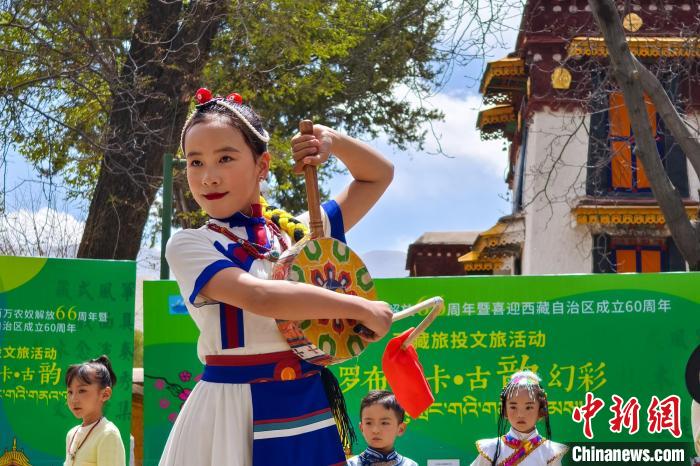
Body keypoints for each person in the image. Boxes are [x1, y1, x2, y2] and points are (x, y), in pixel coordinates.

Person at [160, 88, 394, 466]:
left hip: (306, 403)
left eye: (225, 158)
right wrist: (360, 308)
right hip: (232, 413)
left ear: (262, 165)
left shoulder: (299, 234)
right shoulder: (189, 245)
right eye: (195, 162)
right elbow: (261, 297)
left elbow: (377, 176)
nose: (208, 177)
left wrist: (331, 140)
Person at [471, 371, 568, 466]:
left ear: (540, 411)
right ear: (505, 410)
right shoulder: (491, 449)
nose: (520, 414)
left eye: (528, 407)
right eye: (513, 407)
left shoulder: (550, 452)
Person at [64, 355, 126, 466]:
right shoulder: (71, 434)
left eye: (82, 391)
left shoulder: (108, 434)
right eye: (70, 392)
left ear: (105, 394)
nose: (73, 399)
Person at [347, 390, 418, 466]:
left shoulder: (409, 464)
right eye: (369, 423)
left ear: (400, 429)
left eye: (384, 423)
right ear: (361, 428)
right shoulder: (351, 464)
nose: (375, 430)